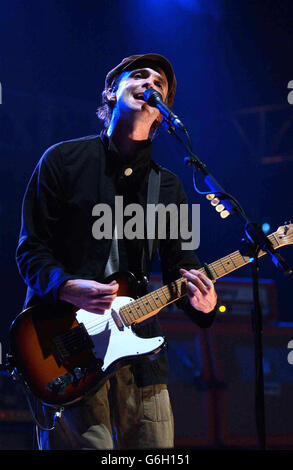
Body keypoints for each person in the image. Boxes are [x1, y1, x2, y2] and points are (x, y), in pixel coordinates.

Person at [16, 53, 218, 450]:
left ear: (162, 114)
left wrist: (205, 302)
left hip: (141, 354)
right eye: (139, 76)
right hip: (66, 349)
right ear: (111, 91)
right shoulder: (62, 160)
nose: (151, 85)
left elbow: (183, 265)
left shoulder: (170, 187)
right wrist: (66, 286)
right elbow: (31, 249)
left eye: (159, 84)